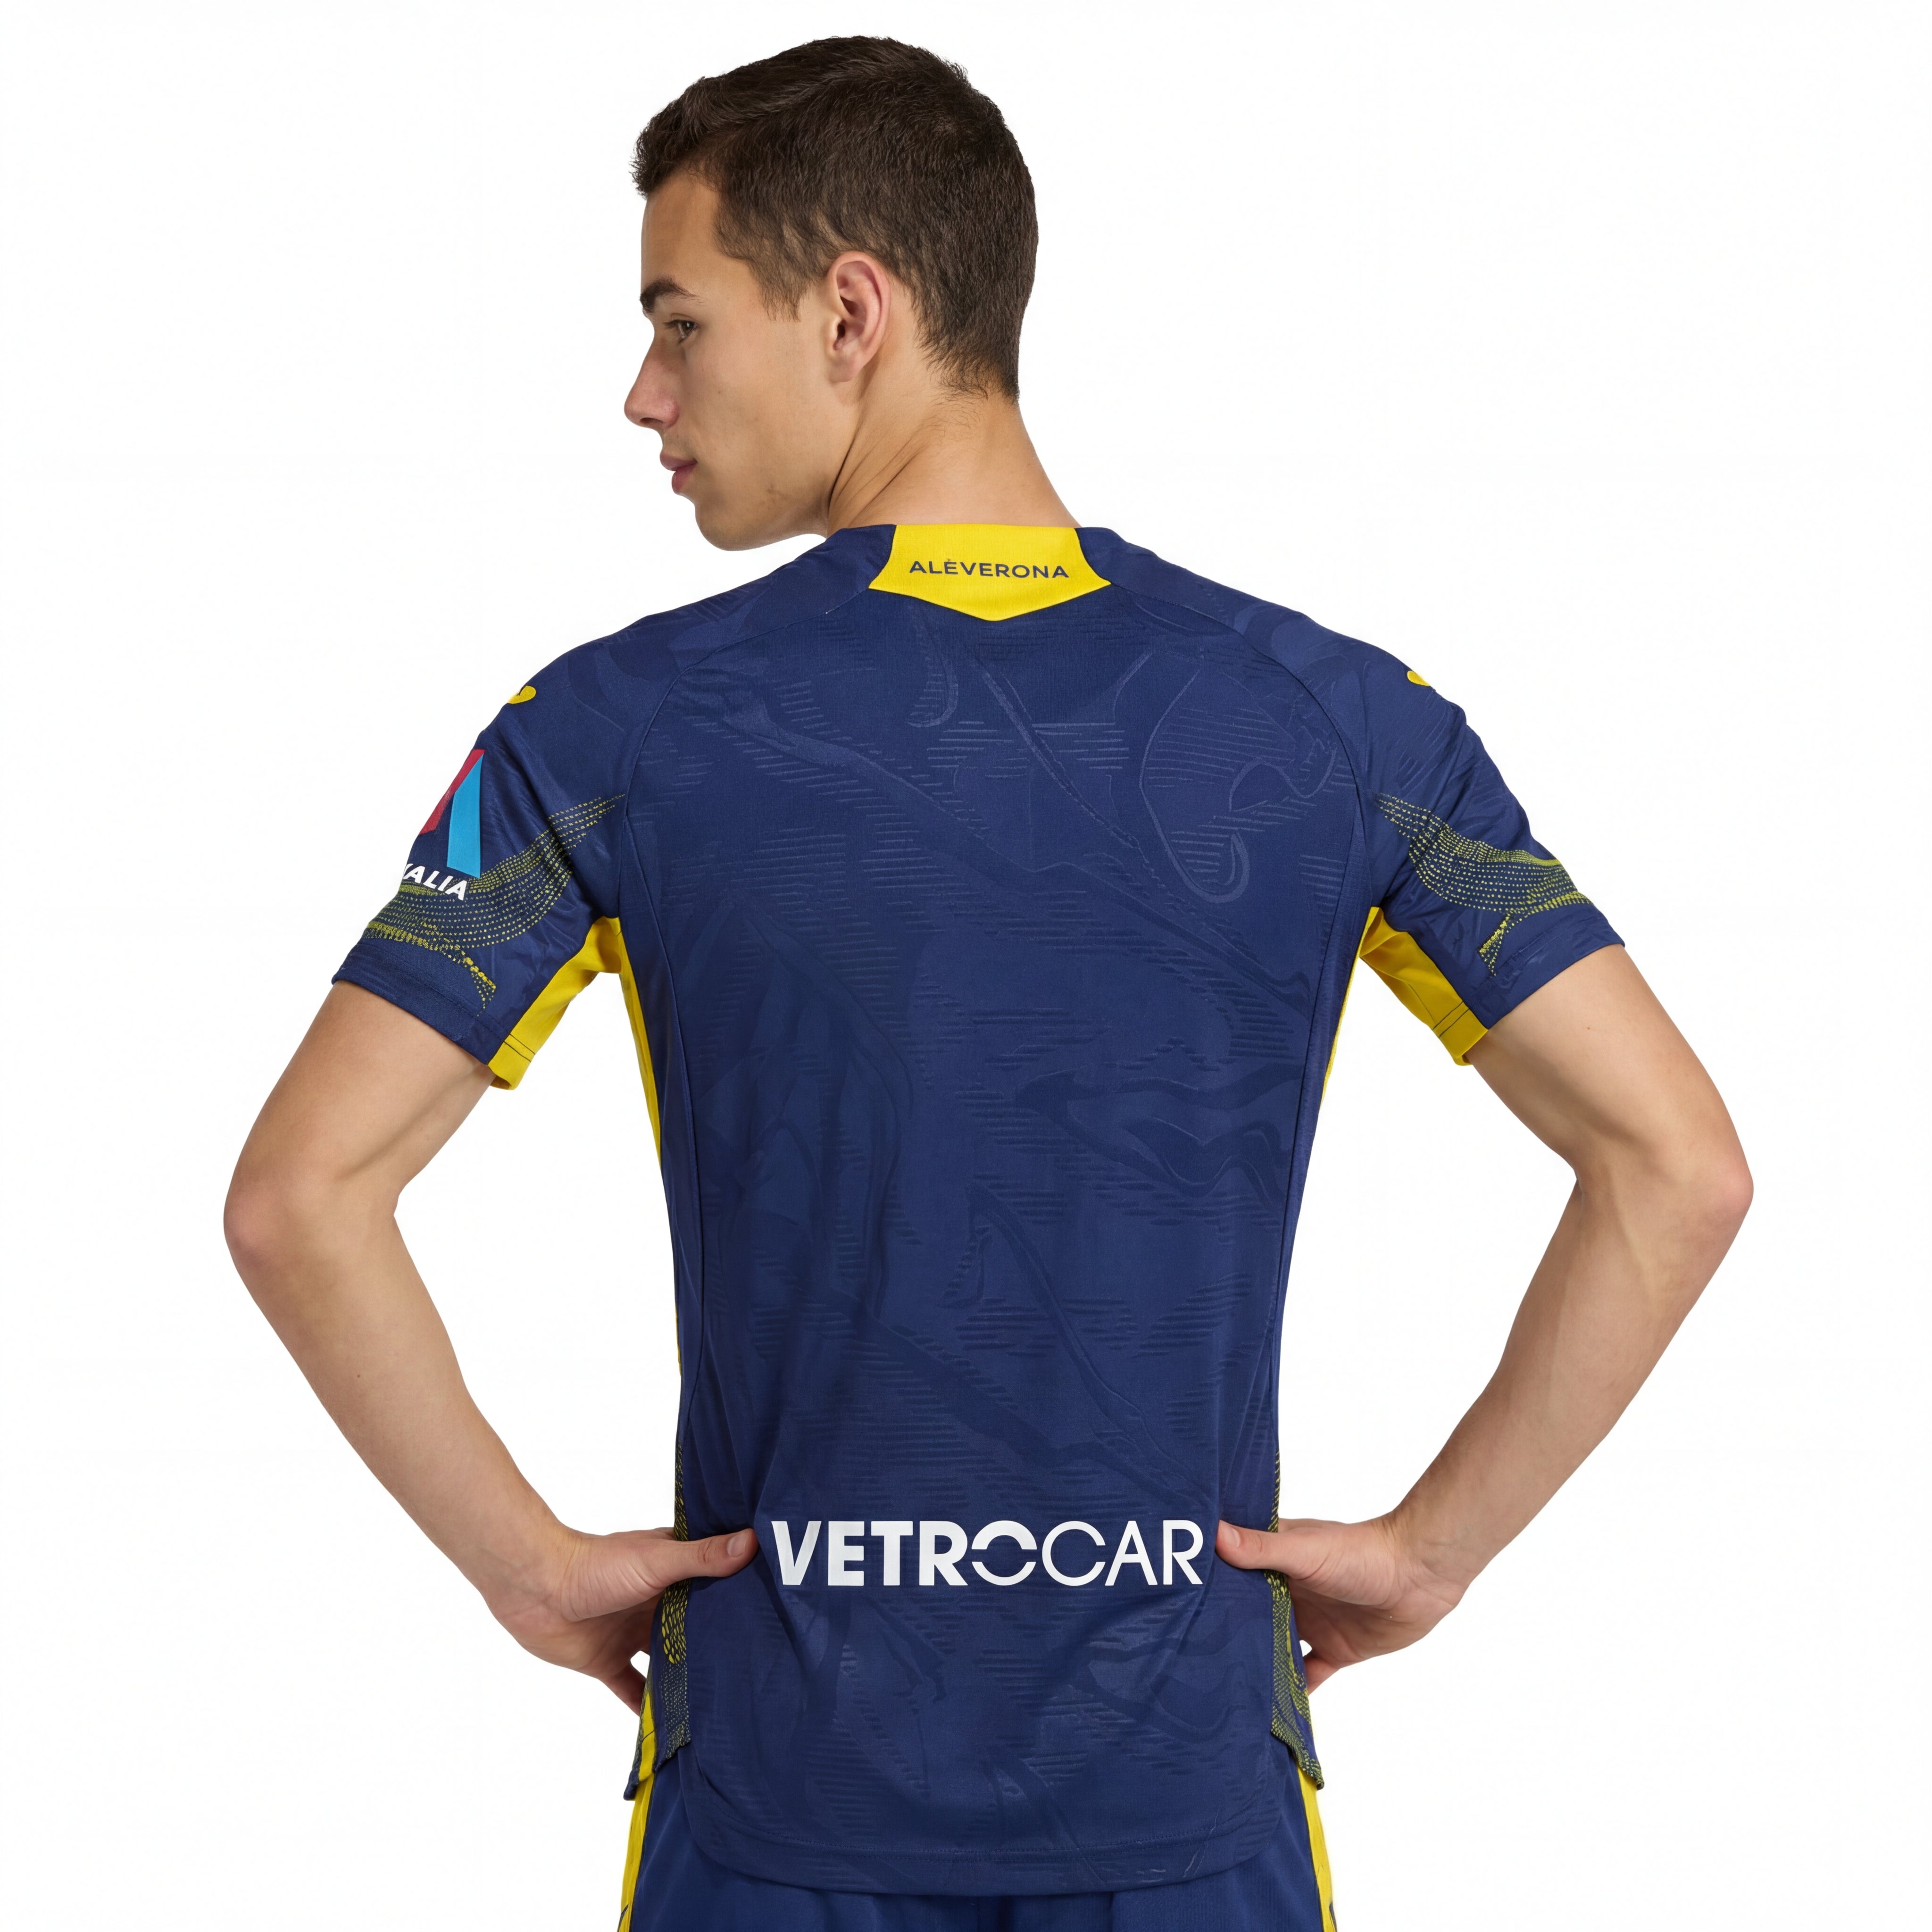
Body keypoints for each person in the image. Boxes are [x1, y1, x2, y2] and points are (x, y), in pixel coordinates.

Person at [225, 35, 1751, 1932]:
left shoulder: (604, 732)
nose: (644, 393)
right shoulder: (1342, 725)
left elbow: (300, 1195)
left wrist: (522, 1568)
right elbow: (1677, 1167)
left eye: (680, 324)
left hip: (777, 1787)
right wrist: (1434, 1553)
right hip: (1188, 1784)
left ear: (850, 312)